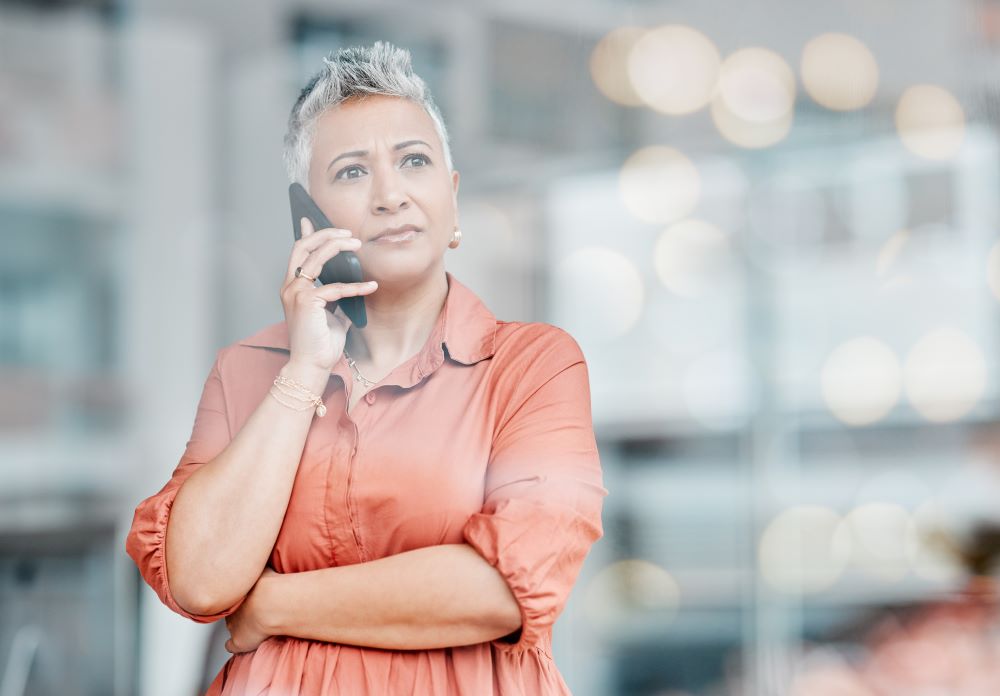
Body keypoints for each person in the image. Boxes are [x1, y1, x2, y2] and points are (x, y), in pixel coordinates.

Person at [125, 40, 607, 695]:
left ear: (453, 200)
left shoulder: (532, 366)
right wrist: (302, 372)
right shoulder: (245, 374)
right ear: (308, 215)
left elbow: (502, 589)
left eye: (414, 161)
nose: (390, 195)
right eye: (352, 172)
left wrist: (272, 606)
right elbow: (203, 578)